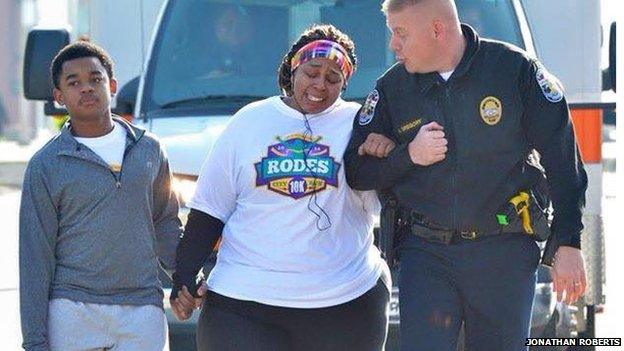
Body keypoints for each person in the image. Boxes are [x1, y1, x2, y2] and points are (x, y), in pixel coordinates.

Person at [344, 1, 588, 350]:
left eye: (400, 34)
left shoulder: (514, 71)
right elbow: (356, 171)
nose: (392, 45)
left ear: (437, 30)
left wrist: (568, 241)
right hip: (426, 256)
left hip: (503, 254)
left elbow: (564, 162)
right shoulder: (392, 89)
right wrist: (406, 156)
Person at [170, 24, 394, 351]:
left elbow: (388, 199)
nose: (320, 84)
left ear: (345, 83)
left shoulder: (360, 124)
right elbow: (209, 209)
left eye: (333, 78)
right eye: (312, 72)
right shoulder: (249, 121)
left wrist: (388, 153)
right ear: (293, 68)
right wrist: (185, 274)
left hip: (344, 303)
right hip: (244, 303)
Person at [19, 41, 182, 351]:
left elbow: (165, 224)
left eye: (95, 79)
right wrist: (34, 342)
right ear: (59, 97)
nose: (86, 88)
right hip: (72, 310)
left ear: (113, 85)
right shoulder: (46, 165)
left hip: (142, 308)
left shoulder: (149, 149)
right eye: (74, 83)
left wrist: (184, 280)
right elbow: (34, 258)